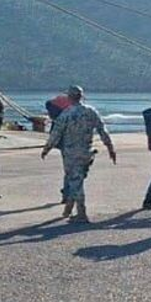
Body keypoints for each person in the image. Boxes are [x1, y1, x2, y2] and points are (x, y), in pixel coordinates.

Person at [41, 86, 117, 223]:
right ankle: (68, 209)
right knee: (77, 179)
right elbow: (102, 130)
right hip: (86, 150)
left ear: (69, 97)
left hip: (70, 152)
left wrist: (47, 148)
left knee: (75, 181)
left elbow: (56, 134)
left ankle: (81, 213)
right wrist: (110, 147)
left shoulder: (66, 114)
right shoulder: (91, 111)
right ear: (81, 96)